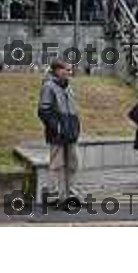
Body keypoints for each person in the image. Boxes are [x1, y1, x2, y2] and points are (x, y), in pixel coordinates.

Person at [37, 60, 80, 205]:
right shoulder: (49, 86)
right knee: (57, 164)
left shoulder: (68, 87)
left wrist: (76, 127)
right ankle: (54, 195)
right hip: (57, 133)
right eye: (66, 69)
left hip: (71, 131)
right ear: (57, 70)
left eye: (69, 69)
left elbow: (74, 110)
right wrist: (57, 127)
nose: (68, 72)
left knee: (72, 164)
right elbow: (43, 111)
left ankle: (71, 194)